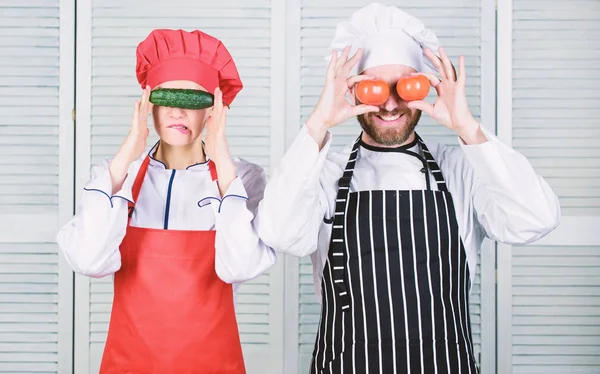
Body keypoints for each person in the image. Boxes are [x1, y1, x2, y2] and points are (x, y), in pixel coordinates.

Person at [254, 3, 561, 373]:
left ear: (424, 88)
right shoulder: (324, 173)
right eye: (373, 87)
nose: (389, 102)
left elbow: (537, 218)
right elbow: (278, 232)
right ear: (352, 92)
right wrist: (318, 124)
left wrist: (469, 129)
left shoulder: (460, 169)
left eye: (404, 86)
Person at [56, 28, 276, 373]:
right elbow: (87, 260)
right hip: (128, 363)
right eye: (166, 98)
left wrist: (224, 165)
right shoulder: (117, 176)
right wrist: (129, 149)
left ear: (213, 110)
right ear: (148, 105)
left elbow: (241, 268)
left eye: (194, 101)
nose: (177, 112)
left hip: (213, 363)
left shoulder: (242, 179)